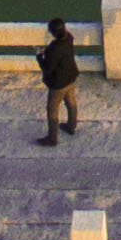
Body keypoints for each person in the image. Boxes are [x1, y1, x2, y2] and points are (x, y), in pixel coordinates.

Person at [36, 17, 81, 145]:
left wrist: (39, 56)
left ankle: (52, 138)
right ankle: (71, 126)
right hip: (70, 77)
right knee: (71, 102)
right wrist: (48, 52)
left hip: (58, 84)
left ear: (53, 33)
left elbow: (47, 68)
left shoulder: (54, 48)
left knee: (52, 109)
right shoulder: (69, 38)